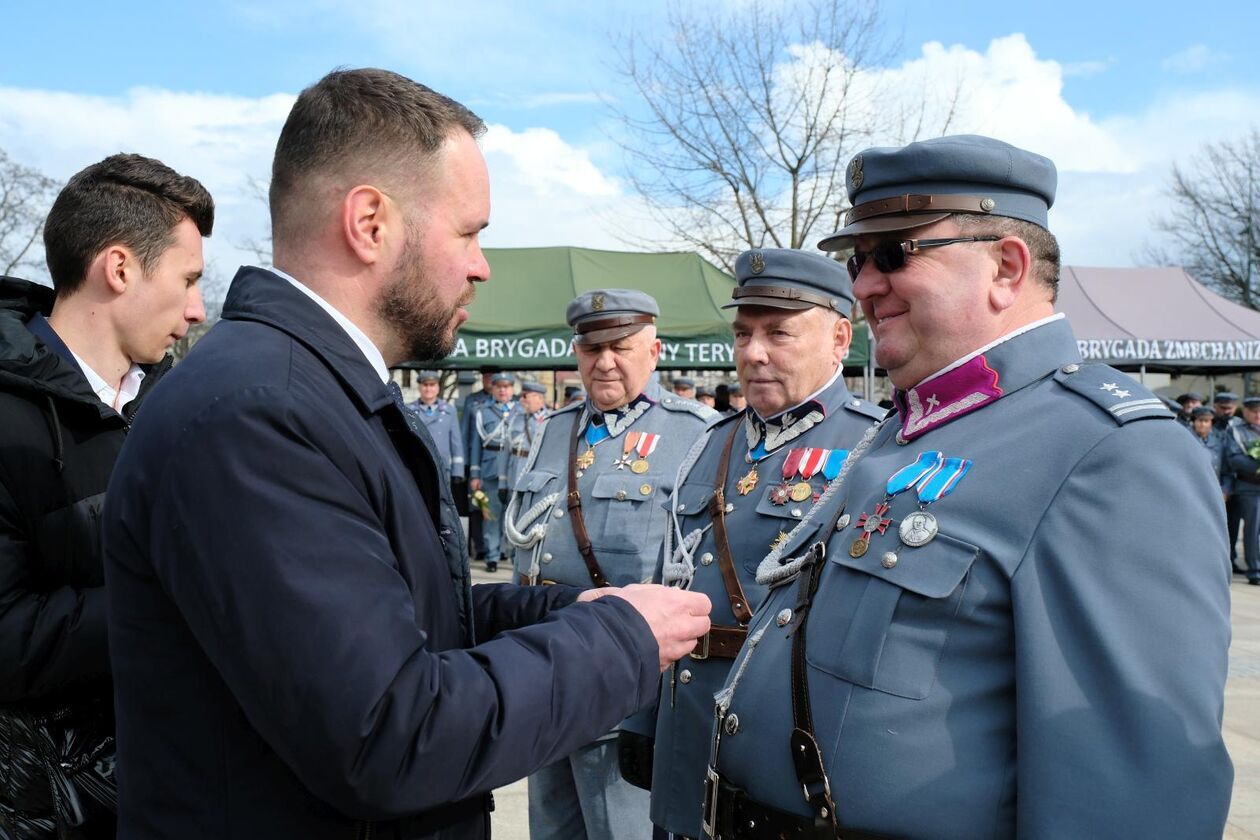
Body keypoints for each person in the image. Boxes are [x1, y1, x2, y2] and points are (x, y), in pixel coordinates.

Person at [100, 68, 712, 840]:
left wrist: (569, 609)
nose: (481, 265)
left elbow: (403, 614)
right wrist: (620, 641)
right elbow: (390, 734)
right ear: (370, 223)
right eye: (468, 232)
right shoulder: (261, 415)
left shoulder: (307, 393)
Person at [703, 135, 1233, 838]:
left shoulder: (1111, 452)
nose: (862, 285)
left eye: (894, 253)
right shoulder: (912, 425)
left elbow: (1130, 795)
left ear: (1007, 268)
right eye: (858, 260)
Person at [0, 154, 212, 839]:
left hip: (167, 788)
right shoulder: (8, 422)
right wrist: (181, 594)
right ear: (119, 269)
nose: (197, 309)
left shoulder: (178, 410)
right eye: (187, 281)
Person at [642, 248, 884, 839]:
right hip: (685, 725)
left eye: (779, 332)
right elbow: (667, 584)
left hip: (782, 742)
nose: (753, 353)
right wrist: (641, 722)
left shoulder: (875, 449)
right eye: (743, 333)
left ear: (839, 338)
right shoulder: (709, 443)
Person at [503, 289, 716, 840]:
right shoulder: (556, 428)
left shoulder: (696, 434)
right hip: (545, 669)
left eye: (620, 346)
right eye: (591, 347)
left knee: (621, 830)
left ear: (655, 350)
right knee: (552, 827)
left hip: (624, 682)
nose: (603, 361)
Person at [468, 371, 516, 572]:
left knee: (513, 517)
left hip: (514, 471)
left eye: (506, 386)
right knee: (491, 516)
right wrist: (475, 474)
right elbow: (476, 445)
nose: (503, 390)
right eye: (499, 387)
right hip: (490, 470)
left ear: (512, 389)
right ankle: (492, 557)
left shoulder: (521, 411)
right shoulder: (482, 412)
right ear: (493, 389)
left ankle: (514, 556)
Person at [408, 370, 465, 497]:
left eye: (432, 385)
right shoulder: (408, 410)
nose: (428, 388)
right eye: (425, 385)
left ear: (438, 387)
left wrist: (458, 471)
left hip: (442, 467)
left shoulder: (449, 410)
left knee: (442, 505)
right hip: (416, 466)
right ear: (419, 387)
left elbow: (456, 442)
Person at [461, 371, 497, 560]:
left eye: (494, 377)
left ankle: (498, 550)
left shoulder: (508, 401)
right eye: (487, 377)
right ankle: (480, 547)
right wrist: (466, 465)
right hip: (478, 462)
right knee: (477, 506)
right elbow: (466, 433)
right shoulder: (472, 400)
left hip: (497, 465)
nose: (490, 381)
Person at [497, 380, 549, 500]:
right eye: (521, 396)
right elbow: (505, 451)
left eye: (525, 396)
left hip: (535, 481)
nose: (521, 400)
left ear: (539, 398)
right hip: (513, 476)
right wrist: (502, 483)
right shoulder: (515, 418)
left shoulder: (550, 420)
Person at [1228, 397, 1260, 585]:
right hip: (1250, 488)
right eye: (1253, 411)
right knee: (1252, 531)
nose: (1257, 415)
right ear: (1245, 412)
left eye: (1259, 411)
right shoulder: (1237, 431)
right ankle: (1255, 570)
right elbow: (1234, 459)